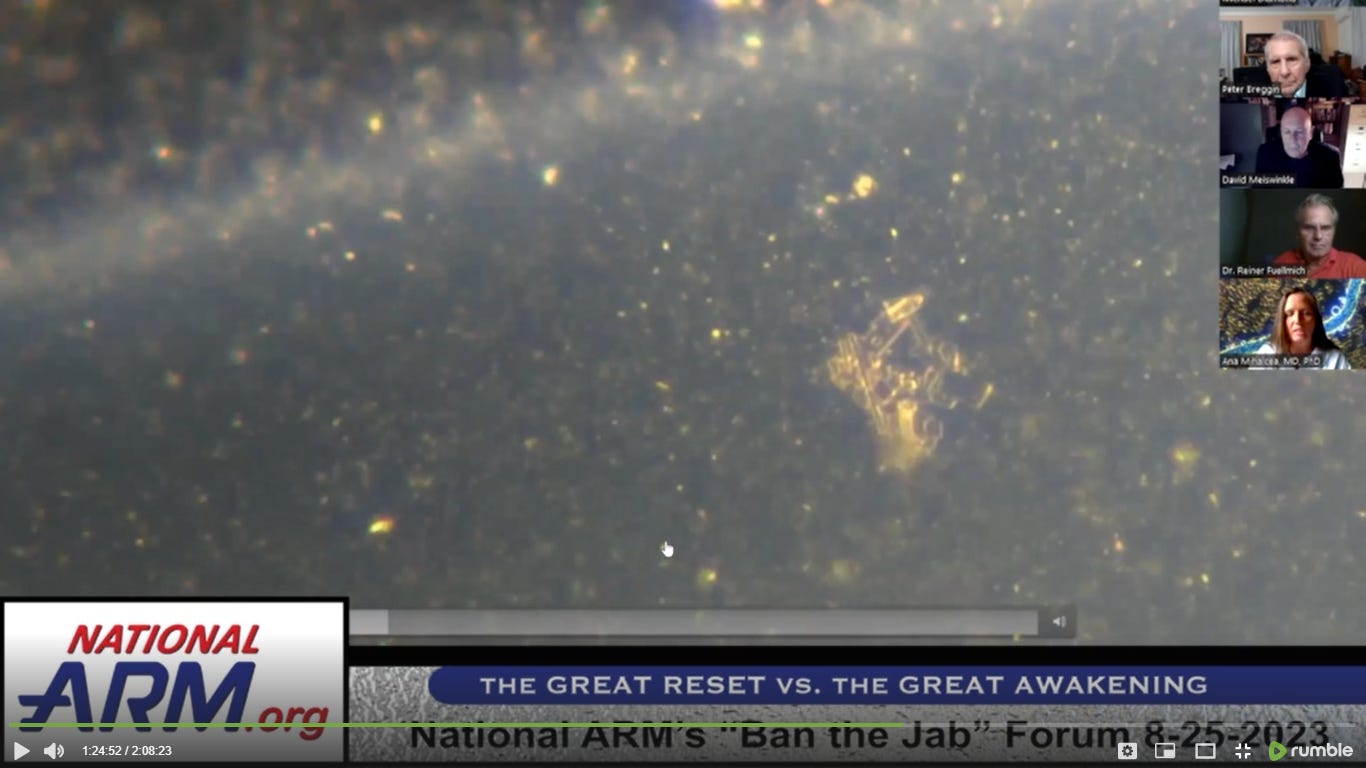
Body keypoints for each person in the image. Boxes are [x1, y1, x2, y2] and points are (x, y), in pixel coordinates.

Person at [1253, 286, 1351, 369]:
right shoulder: (1266, 354)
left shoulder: (1334, 359)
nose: (1297, 320)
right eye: (1290, 314)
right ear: (1282, 321)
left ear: (1315, 320)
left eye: (1306, 313)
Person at [1271, 194, 1366, 278]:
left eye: (1325, 228)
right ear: (1297, 231)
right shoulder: (1280, 264)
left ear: (1334, 231)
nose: (1318, 236)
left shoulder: (1356, 267)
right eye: (1309, 228)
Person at [1254, 106, 1343, 188]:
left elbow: (1336, 193)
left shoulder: (1330, 157)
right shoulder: (1265, 153)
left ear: (1310, 133)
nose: (1293, 139)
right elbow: (1257, 189)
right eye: (1287, 132)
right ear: (1281, 132)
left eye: (1299, 132)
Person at [1264, 32, 1346, 97]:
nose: (1284, 72)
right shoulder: (1257, 89)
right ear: (1268, 68)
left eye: (1292, 59)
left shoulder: (1333, 86)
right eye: (1275, 61)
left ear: (1307, 64)